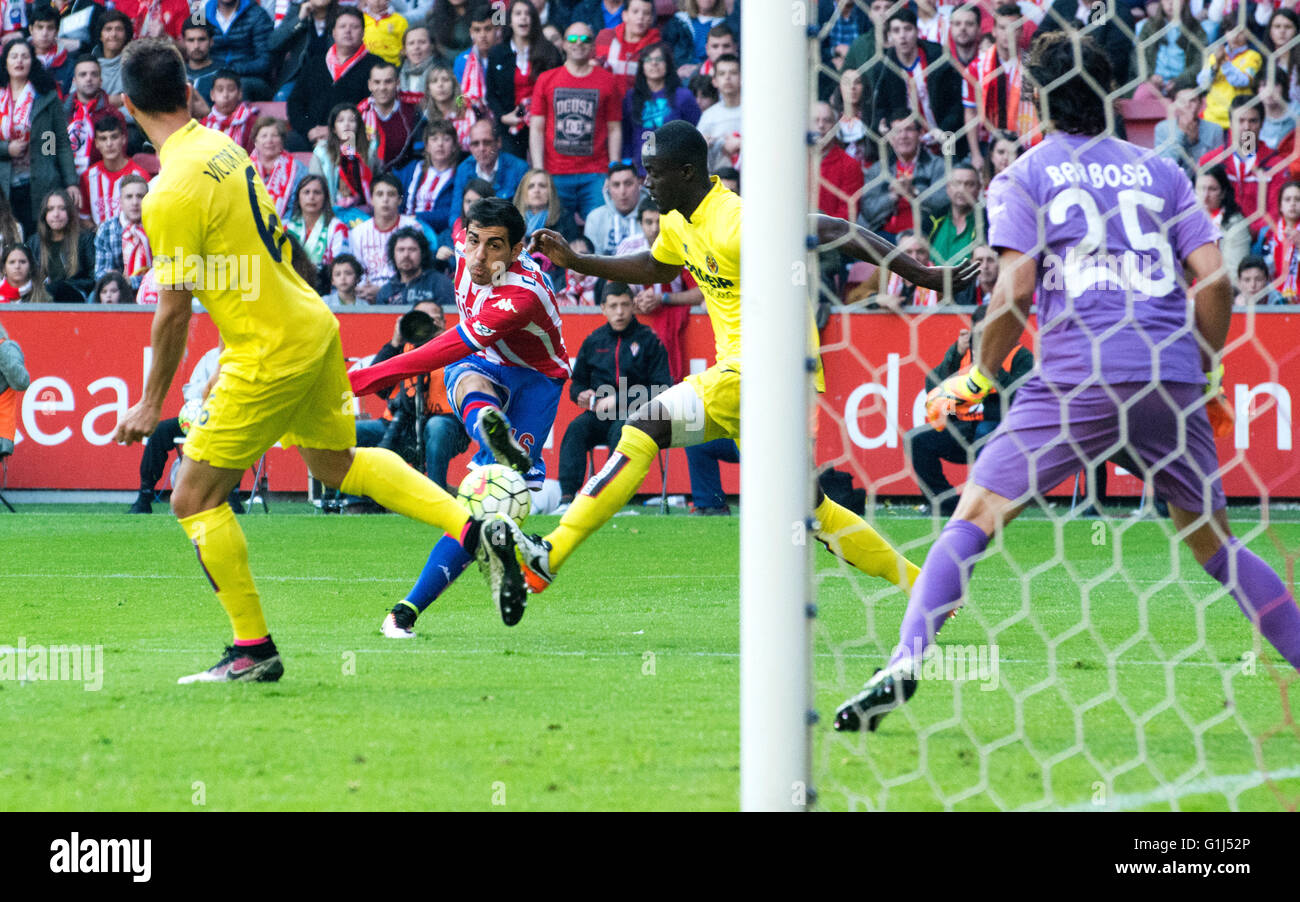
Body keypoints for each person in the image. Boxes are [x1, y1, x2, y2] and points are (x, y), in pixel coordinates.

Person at [834, 32, 1300, 734]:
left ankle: (905, 659)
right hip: (1169, 376)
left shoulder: (1024, 175)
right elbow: (1217, 280)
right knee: (1217, 547)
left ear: (1035, 100)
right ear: (1111, 95)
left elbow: (1016, 287)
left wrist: (982, 373)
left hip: (1080, 374)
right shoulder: (1163, 171)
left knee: (976, 517)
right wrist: (1200, 368)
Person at [112, 38, 522, 682]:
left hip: (268, 350)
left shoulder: (169, 192)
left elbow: (172, 308)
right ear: (189, 92)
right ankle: (474, 530)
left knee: (192, 499)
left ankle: (252, 650)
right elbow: (280, 246)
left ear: (127, 106)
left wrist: (148, 402)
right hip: (312, 324)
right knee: (336, 463)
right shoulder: (225, 148)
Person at [517, 120, 978, 605]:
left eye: (654, 172)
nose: (647, 182)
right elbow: (657, 266)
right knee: (809, 508)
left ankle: (550, 552)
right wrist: (579, 262)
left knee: (645, 424)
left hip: (766, 370)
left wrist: (923, 275)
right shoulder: (678, 219)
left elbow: (836, 229)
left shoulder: (738, 221)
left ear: (688, 171)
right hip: (755, 377)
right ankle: (926, 586)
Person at [348, 196, 571, 632]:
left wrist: (373, 374)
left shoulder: (520, 295)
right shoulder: (465, 251)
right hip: (486, 363)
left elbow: (446, 346)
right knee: (468, 377)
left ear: (517, 249)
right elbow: (467, 218)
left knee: (490, 506)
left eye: (495, 247)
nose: (480, 258)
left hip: (536, 380)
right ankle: (492, 431)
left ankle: (418, 604)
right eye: (473, 242)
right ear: (463, 237)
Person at [905, 305, 1034, 518]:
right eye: (978, 334)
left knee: (985, 433)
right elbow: (932, 389)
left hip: (1000, 428)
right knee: (916, 440)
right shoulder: (964, 352)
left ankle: (983, 504)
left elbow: (1021, 398)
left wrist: (992, 368)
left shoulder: (1019, 356)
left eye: (987, 333)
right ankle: (946, 504)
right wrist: (954, 355)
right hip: (963, 427)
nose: (982, 340)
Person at [558, 280, 670, 505]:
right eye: (613, 306)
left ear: (633, 305)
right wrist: (581, 394)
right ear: (603, 309)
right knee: (576, 429)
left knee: (621, 430)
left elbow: (662, 388)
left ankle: (610, 499)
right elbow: (576, 383)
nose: (619, 312)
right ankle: (567, 499)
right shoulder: (593, 340)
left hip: (638, 416)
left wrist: (618, 400)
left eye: (625, 305)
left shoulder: (650, 340)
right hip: (599, 415)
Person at [355, 300, 469, 490]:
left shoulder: (456, 345)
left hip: (446, 424)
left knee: (437, 427)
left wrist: (442, 340)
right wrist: (394, 342)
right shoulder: (402, 348)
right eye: (418, 319)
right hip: (399, 425)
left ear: (441, 322)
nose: (424, 325)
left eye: (430, 319)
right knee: (352, 431)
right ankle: (357, 500)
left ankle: (436, 494)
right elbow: (379, 388)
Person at [128, 345, 246, 514]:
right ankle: (144, 498)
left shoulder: (250, 356)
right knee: (160, 431)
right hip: (203, 417)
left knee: (234, 435)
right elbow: (192, 390)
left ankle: (231, 498)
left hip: (237, 421)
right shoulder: (211, 356)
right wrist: (203, 406)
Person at [530, 21, 623, 220]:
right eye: (572, 38)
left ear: (593, 46)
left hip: (596, 173)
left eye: (585, 39)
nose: (578, 43)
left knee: (597, 227)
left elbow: (614, 128)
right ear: (563, 44)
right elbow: (537, 128)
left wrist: (613, 168)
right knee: (556, 234)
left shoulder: (608, 81)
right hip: (555, 173)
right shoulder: (546, 79)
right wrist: (539, 171)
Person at [0, 39, 80, 238]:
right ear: (5, 62)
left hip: (40, 180)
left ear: (32, 61)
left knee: (40, 239)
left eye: (25, 56)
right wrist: (6, 149)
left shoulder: (45, 96)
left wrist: (70, 181)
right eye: (14, 56)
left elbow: (58, 142)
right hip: (4, 182)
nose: (19, 61)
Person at [867, 8, 966, 158]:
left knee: (949, 170)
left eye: (907, 29)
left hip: (943, 133)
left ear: (917, 31)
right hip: (907, 140)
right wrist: (885, 126)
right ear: (889, 36)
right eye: (896, 30)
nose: (902, 36)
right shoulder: (883, 68)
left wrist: (944, 130)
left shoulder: (938, 58)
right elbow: (880, 107)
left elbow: (956, 104)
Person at [288, 8, 383, 149]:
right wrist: (309, 130)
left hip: (352, 136)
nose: (348, 31)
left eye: (354, 27)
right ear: (333, 32)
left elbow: (374, 108)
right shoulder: (315, 63)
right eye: (342, 26)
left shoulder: (375, 65)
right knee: (287, 142)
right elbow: (295, 102)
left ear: (363, 33)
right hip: (312, 135)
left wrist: (334, 131)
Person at [964, 4, 1040, 173]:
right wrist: (976, 154)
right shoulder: (976, 68)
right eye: (1002, 27)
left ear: (1021, 31)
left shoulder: (1032, 67)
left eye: (1013, 28)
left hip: (1024, 143)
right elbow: (970, 112)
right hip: (988, 143)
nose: (1007, 34)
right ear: (994, 31)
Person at [1198, 96, 1287, 236]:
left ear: (1262, 123)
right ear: (1231, 123)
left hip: (1260, 241)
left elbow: (1276, 213)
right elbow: (1201, 205)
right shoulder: (1209, 161)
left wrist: (1244, 233)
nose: (1247, 127)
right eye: (1241, 121)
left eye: (1253, 121)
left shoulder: (1276, 165)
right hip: (1215, 235)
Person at [486, 0, 563, 161]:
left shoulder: (549, 51)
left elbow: (560, 90)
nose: (523, 18)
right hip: (511, 126)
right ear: (510, 20)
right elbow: (491, 93)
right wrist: (503, 117)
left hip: (545, 124)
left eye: (528, 14)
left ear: (535, 19)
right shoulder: (497, 53)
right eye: (518, 14)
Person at [859, 111, 947, 240]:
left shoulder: (937, 165)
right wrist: (893, 196)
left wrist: (914, 192)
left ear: (920, 134)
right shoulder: (878, 169)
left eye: (909, 130)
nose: (903, 136)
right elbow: (868, 211)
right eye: (897, 131)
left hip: (924, 238)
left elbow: (943, 204)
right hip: (883, 238)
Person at [622, 41, 700, 173]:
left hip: (676, 171)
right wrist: (629, 165)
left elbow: (696, 133)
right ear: (642, 66)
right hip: (641, 172)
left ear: (668, 64)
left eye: (659, 59)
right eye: (648, 60)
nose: (654, 63)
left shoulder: (683, 96)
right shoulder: (631, 97)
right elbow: (626, 136)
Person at [350, 173, 425, 298]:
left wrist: (383, 292)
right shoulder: (357, 233)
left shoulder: (414, 228)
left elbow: (418, 272)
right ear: (371, 199)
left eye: (391, 194)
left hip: (404, 295)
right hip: (366, 297)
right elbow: (355, 272)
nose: (385, 200)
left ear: (400, 200)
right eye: (379, 194)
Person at [448, 118, 529, 222]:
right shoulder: (464, 169)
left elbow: (523, 213)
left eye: (487, 142)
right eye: (475, 144)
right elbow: (455, 214)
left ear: (498, 142)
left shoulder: (519, 168)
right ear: (470, 147)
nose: (481, 149)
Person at [79, 114, 150, 226]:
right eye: (103, 138)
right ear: (96, 143)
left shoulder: (140, 175)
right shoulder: (88, 177)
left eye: (114, 137)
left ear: (123, 139)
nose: (109, 144)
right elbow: (84, 218)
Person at [201, 0, 276, 100]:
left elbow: (265, 61)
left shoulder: (257, 15)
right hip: (214, 74)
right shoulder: (202, 15)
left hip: (249, 78)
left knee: (236, 87)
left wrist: (233, 70)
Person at [28, 188, 95, 300]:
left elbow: (93, 277)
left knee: (57, 288)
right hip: (44, 298)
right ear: (44, 214)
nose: (56, 214)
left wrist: (67, 286)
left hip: (76, 295)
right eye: (50, 209)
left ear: (70, 213)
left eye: (62, 209)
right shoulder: (34, 242)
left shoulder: (85, 239)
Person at [66, 55, 127, 177]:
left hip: (97, 180)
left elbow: (119, 158)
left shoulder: (114, 115)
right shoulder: (57, 111)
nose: (89, 79)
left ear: (100, 80)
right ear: (74, 80)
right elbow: (47, 149)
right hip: (64, 181)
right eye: (83, 75)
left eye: (94, 74)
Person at [398, 118, 460, 237]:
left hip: (436, 233)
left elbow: (451, 212)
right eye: (434, 139)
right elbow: (395, 193)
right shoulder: (413, 168)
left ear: (453, 146)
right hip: (402, 228)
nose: (440, 144)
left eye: (446, 139)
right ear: (426, 146)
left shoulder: (458, 175)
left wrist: (417, 218)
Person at [1154, 76, 1225, 180]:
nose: (1187, 106)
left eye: (1192, 101)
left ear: (1201, 103)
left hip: (1202, 185)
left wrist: (1195, 143)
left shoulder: (1214, 130)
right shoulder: (1162, 129)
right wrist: (1181, 133)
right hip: (1173, 182)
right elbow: (1164, 166)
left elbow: (1214, 170)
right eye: (1182, 101)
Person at [1135, 0, 1207, 101]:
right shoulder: (1149, 26)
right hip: (1154, 85)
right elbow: (1137, 57)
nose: (1170, 3)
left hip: (1184, 86)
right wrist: (1150, 76)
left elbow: (1200, 63)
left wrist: (1179, 81)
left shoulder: (1196, 30)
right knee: (1142, 95)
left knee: (1188, 102)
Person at [267, 0, 337, 103]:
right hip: (298, 77)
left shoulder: (341, 14)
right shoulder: (297, 10)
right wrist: (299, 19)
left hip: (331, 77)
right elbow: (273, 44)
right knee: (282, 97)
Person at [311, 103, 373, 218]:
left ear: (358, 125)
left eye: (352, 120)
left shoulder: (370, 151)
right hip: (331, 213)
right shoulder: (321, 152)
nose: (347, 125)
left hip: (365, 211)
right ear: (333, 128)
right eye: (340, 121)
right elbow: (314, 185)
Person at [1196, 22, 1262, 130]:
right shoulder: (1214, 56)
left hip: (1242, 122)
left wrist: (1224, 63)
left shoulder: (1254, 56)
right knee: (1215, 148)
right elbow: (1202, 83)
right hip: (1212, 119)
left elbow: (1243, 81)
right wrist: (1216, 65)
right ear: (1225, 33)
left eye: (1240, 32)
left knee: (1248, 147)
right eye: (1231, 31)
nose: (1235, 36)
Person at [286, 174, 351, 280]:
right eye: (306, 192)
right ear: (298, 197)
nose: (311, 197)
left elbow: (340, 268)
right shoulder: (286, 227)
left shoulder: (337, 228)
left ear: (325, 197)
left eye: (317, 192)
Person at [358, 60, 421, 169]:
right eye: (377, 82)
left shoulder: (411, 110)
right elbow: (346, 147)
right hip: (367, 176)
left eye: (388, 82)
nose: (382, 88)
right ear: (370, 85)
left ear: (398, 83)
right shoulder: (358, 113)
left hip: (404, 175)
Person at [93, 172, 151, 288]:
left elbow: (163, 272)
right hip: (117, 292)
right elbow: (101, 274)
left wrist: (131, 281)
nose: (135, 202)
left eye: (140, 196)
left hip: (153, 290)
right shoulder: (107, 229)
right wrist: (122, 282)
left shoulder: (158, 226)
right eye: (129, 197)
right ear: (120, 201)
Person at [1195, 164, 1251, 284]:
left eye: (1212, 189)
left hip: (1219, 291)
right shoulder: (1185, 221)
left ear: (1223, 193)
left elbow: (1234, 272)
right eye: (1201, 189)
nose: (1205, 196)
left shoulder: (1235, 225)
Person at [594, 0, 660, 96]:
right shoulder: (606, 37)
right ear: (625, 15)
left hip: (640, 102)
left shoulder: (656, 47)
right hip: (608, 100)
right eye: (635, 11)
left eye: (646, 13)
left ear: (651, 19)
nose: (640, 17)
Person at [375, 225, 454, 305]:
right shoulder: (386, 291)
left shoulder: (440, 284)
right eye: (401, 250)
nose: (406, 255)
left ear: (422, 253)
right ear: (393, 254)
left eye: (412, 249)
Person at [1253, 179, 1300, 302]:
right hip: (1274, 297)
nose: (1293, 204)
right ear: (1280, 205)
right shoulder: (1267, 233)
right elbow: (1258, 265)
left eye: (1297, 199)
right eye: (1288, 199)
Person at [928, 163, 982, 266]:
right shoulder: (932, 220)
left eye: (969, 184)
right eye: (956, 184)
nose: (962, 190)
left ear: (978, 188)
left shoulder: (986, 223)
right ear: (948, 187)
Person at [583, 161, 642, 255]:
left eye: (628, 183)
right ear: (608, 188)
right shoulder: (595, 218)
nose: (622, 191)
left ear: (639, 184)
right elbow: (592, 260)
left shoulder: (652, 214)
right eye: (616, 185)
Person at [694, 52, 739, 172]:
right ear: (714, 81)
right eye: (722, 73)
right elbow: (695, 153)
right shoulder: (708, 116)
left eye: (733, 73)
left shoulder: (755, 112)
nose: (727, 77)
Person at [453, 2, 498, 111]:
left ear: (497, 30)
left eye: (488, 29)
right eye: (477, 30)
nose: (482, 35)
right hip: (472, 117)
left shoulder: (508, 57)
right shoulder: (461, 61)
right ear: (471, 32)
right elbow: (457, 98)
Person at [202, 70, 257, 152]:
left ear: (240, 94)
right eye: (220, 90)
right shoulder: (205, 123)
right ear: (212, 95)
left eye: (231, 90)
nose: (225, 95)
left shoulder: (250, 121)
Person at [513, 166, 568, 243]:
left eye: (542, 186)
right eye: (531, 186)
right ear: (523, 192)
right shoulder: (512, 220)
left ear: (550, 192)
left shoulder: (564, 217)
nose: (536, 190)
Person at [30, 5, 76, 96]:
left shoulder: (70, 64)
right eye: (40, 27)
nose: (44, 33)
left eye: (50, 28)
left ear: (57, 31)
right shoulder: (19, 60)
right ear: (31, 30)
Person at [362, 0, 408, 67]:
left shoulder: (400, 20)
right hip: (366, 64)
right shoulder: (361, 18)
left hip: (392, 64)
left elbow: (405, 45)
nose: (377, 1)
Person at [398, 25, 440, 94]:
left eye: (422, 42)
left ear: (432, 46)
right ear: (404, 50)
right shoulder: (396, 75)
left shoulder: (442, 73)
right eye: (411, 43)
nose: (416, 47)